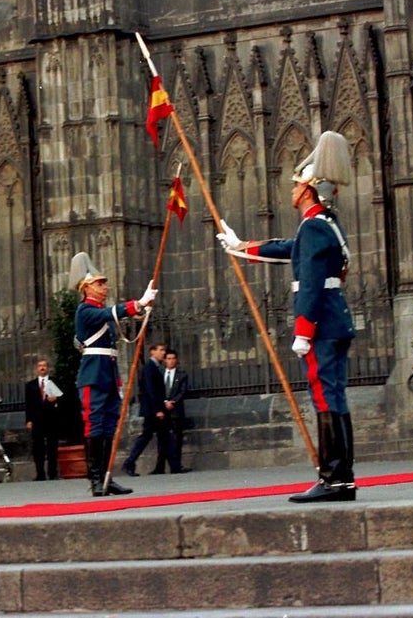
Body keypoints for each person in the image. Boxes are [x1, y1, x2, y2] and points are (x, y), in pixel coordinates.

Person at [218, 130, 356, 503]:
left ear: (309, 189)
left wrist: (303, 330)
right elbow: (289, 250)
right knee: (335, 398)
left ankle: (332, 479)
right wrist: (241, 246)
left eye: (296, 185)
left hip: (321, 324)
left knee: (325, 398)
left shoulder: (313, 225)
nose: (292, 190)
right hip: (335, 321)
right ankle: (342, 479)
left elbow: (310, 282)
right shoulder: (325, 224)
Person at [69, 251, 157, 497]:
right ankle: (96, 479)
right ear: (87, 288)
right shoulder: (85, 310)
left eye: (104, 283)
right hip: (93, 375)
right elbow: (109, 314)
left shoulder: (99, 310)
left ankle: (107, 478)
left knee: (109, 426)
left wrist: (142, 308)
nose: (105, 287)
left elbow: (114, 316)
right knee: (95, 425)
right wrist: (138, 303)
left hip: (107, 374)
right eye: (100, 284)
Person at [122, 343, 168, 477]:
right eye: (160, 350)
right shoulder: (149, 368)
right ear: (152, 352)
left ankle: (162, 466)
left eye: (164, 350)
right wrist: (157, 409)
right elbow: (150, 390)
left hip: (154, 408)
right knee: (148, 436)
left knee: (161, 436)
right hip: (153, 410)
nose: (163, 353)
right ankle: (130, 462)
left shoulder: (154, 367)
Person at [152, 349, 191, 475]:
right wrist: (163, 402)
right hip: (162, 409)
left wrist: (173, 402)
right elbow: (156, 390)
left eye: (173, 358)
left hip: (175, 410)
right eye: (168, 359)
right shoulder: (160, 373)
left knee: (177, 438)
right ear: (165, 360)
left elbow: (183, 391)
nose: (171, 361)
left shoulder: (182, 374)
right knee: (161, 438)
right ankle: (160, 466)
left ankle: (176, 465)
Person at [24, 359, 62, 481]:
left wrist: (56, 399)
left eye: (44, 365)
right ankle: (40, 473)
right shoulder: (31, 385)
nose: (42, 368)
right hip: (37, 420)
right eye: (40, 366)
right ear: (36, 368)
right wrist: (29, 420)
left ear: (48, 368)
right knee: (38, 447)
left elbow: (63, 398)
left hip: (52, 419)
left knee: (52, 446)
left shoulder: (54, 382)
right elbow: (28, 404)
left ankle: (53, 473)